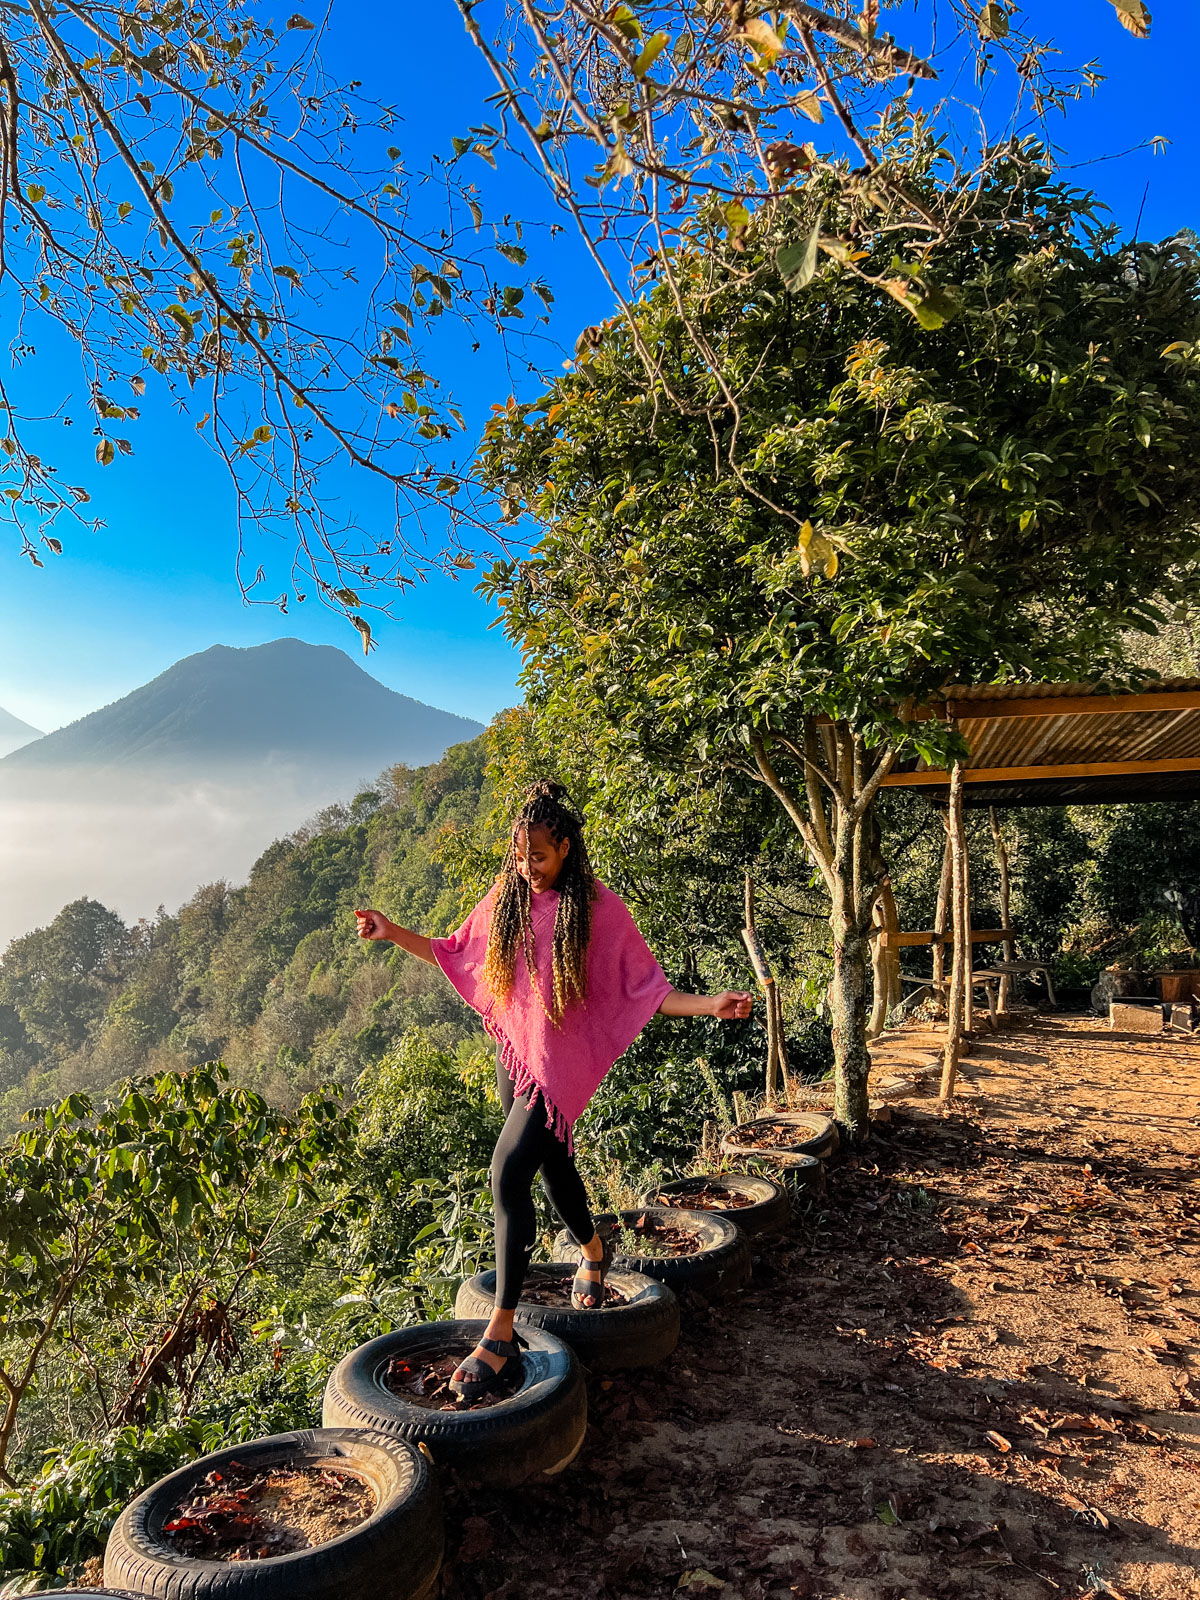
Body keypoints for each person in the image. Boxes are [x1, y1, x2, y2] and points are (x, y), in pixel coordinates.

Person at [356, 779, 752, 1399]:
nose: (526, 867)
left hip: (556, 1068)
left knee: (506, 1173)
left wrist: (709, 1005)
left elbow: (644, 989)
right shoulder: (508, 896)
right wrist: (392, 931)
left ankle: (502, 1328)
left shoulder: (599, 909)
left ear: (565, 846)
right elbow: (457, 952)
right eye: (518, 856)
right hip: (514, 1056)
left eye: (536, 856)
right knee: (550, 1167)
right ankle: (594, 1248)